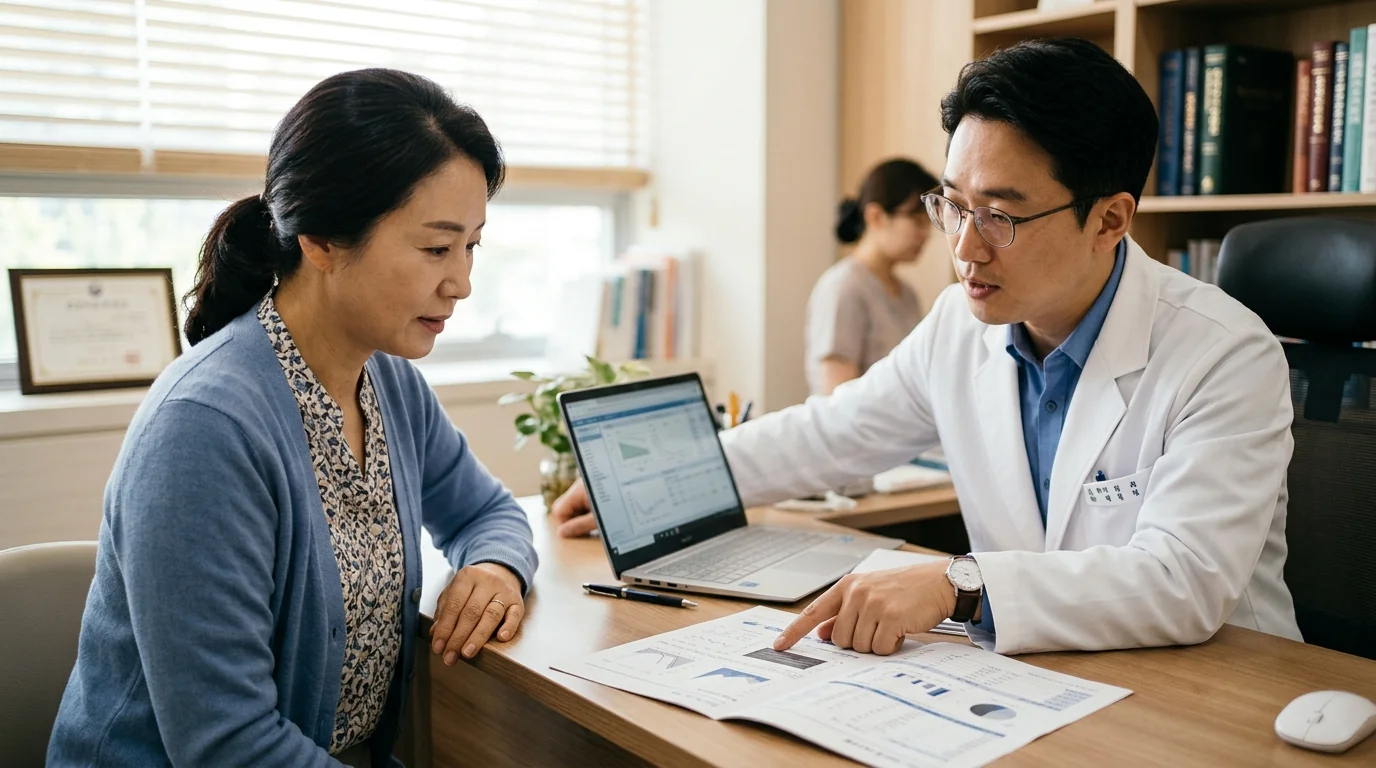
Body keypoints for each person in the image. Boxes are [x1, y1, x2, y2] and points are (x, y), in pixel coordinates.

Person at [553, 38, 1303, 658]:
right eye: (952, 205)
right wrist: (673, 481)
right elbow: (832, 435)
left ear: (1110, 220)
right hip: (1043, 676)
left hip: (1218, 686)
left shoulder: (1225, 354)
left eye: (1001, 216)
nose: (964, 247)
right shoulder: (957, 324)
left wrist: (958, 584)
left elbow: (1183, 580)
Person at [48, 69, 539, 767]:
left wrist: (495, 569)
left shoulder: (390, 382)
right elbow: (227, 744)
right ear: (322, 241)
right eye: (436, 247)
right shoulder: (204, 429)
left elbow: (489, 513)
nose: (461, 281)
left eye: (471, 245)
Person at [807, 158, 938, 396]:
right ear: (876, 217)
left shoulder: (907, 294)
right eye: (917, 221)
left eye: (928, 223)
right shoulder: (843, 287)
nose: (925, 234)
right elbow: (835, 398)